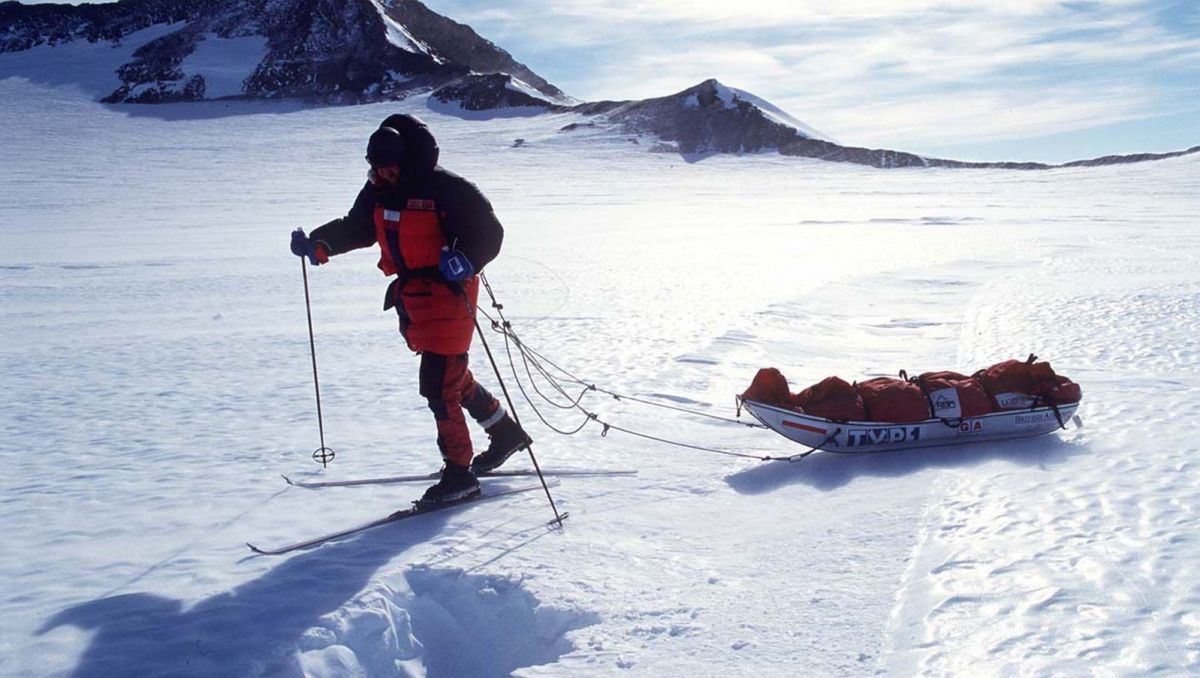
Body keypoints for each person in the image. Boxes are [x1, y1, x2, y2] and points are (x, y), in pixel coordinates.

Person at [290, 114, 532, 506]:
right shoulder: (377, 191)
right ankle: (504, 432)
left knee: (438, 383)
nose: (381, 174)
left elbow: (490, 232)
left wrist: (468, 260)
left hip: (451, 292)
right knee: (452, 375)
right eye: (374, 167)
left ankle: (459, 475)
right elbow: (357, 228)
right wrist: (318, 244)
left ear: (406, 158)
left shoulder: (445, 189)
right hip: (414, 296)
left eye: (387, 166)